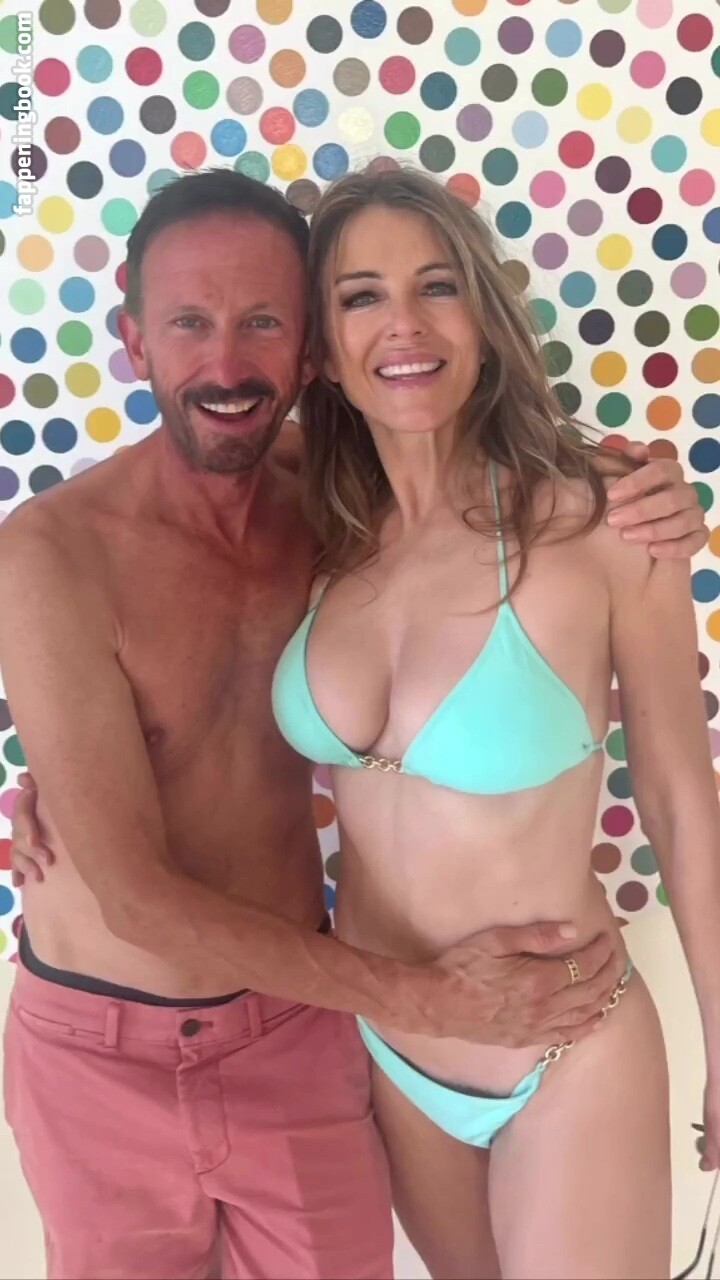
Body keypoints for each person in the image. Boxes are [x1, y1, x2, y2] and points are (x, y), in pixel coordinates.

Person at [0, 170, 707, 1280]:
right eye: (362, 295)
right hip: (303, 1037)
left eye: (263, 321)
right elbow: (148, 838)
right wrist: (71, 775)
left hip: (467, 1029)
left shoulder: (516, 514)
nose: (226, 361)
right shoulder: (180, 537)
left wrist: (664, 484)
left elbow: (679, 793)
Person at [270, 166, 720, 1280]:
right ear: (321, 349)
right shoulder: (310, 533)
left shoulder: (603, 514)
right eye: (362, 296)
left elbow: (680, 794)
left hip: (566, 1049)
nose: (405, 324)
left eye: (438, 286)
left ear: (483, 316)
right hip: (387, 1042)